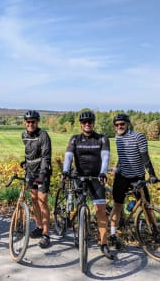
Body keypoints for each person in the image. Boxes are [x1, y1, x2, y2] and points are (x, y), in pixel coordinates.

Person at [62, 111, 113, 259]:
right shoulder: (75, 139)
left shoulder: (102, 138)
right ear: (81, 124)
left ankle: (103, 243)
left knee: (101, 210)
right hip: (79, 177)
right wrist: (65, 170)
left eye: (90, 122)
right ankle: (79, 233)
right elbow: (68, 156)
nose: (87, 124)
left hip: (97, 177)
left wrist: (103, 172)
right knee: (79, 206)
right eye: (84, 122)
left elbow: (105, 157)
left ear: (93, 123)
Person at [109, 113, 158, 249]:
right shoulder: (117, 138)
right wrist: (116, 167)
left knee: (147, 205)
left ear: (128, 124)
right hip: (122, 176)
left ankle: (154, 231)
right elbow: (122, 156)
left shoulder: (138, 136)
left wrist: (152, 174)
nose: (119, 126)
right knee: (117, 205)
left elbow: (145, 157)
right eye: (117, 125)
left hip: (137, 177)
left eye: (122, 124)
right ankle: (113, 235)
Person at [22, 110, 52, 249]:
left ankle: (46, 234)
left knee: (42, 201)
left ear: (37, 122)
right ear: (25, 123)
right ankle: (39, 226)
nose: (30, 124)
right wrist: (25, 162)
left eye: (33, 121)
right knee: (34, 199)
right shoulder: (24, 135)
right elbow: (29, 153)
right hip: (30, 171)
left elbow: (46, 156)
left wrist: (42, 174)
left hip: (42, 172)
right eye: (28, 122)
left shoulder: (43, 135)